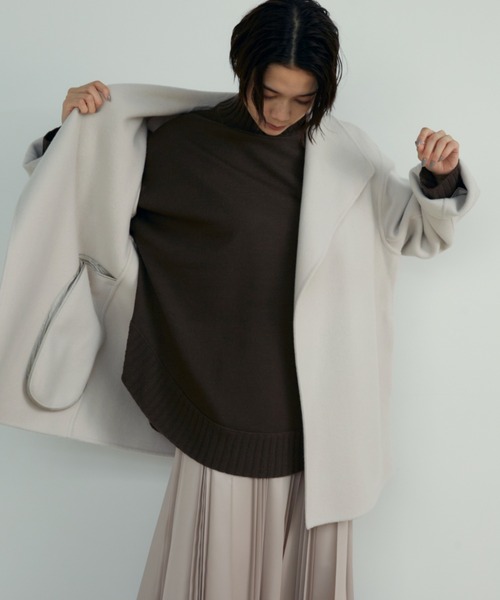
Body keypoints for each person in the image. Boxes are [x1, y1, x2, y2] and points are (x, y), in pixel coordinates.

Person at [0, 1, 478, 599]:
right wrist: (74, 133)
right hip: (220, 409)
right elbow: (85, 194)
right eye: (267, 93)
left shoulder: (348, 154)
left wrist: (436, 177)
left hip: (318, 419)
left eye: (302, 100)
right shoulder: (184, 143)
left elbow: (416, 233)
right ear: (242, 68)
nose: (280, 113)